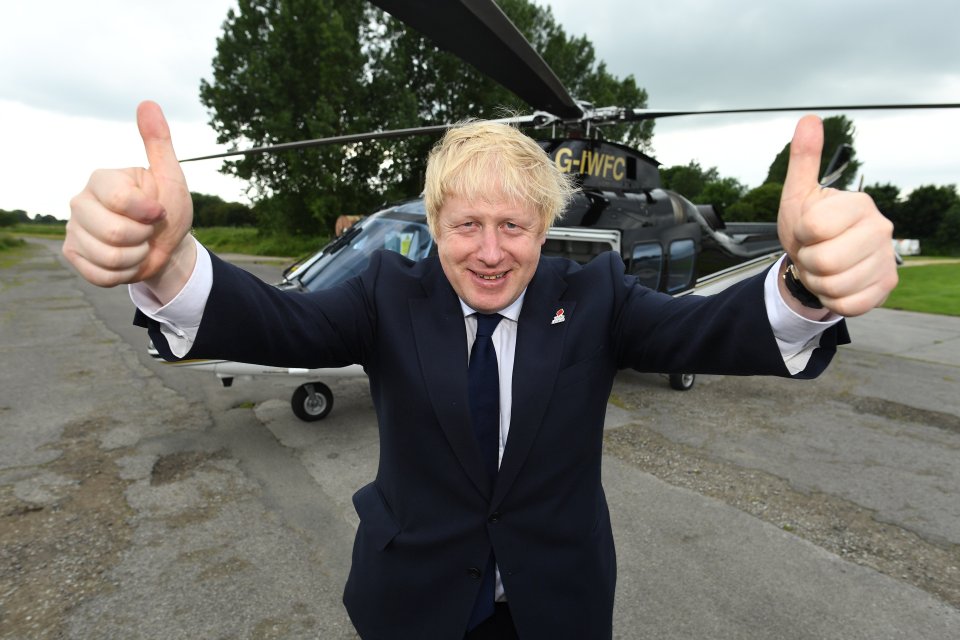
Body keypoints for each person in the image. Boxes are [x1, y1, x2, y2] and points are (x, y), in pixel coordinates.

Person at [64, 101, 897, 639]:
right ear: (433, 223)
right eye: (467, 225)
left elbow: (706, 331)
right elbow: (282, 320)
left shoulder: (597, 293)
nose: (491, 253)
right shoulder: (387, 292)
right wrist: (166, 266)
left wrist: (805, 288)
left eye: (513, 226)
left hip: (555, 610)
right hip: (414, 606)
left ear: (545, 228)